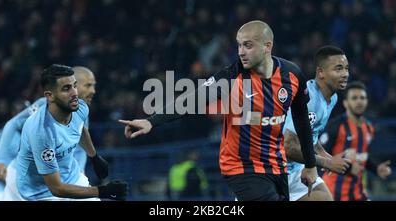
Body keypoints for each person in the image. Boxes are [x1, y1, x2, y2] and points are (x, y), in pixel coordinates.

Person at [120, 20, 317, 201]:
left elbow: (301, 120)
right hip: (241, 166)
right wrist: (151, 121)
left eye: (247, 45)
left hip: (276, 165)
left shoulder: (292, 74)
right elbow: (193, 99)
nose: (240, 51)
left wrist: (310, 164)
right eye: (239, 45)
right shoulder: (232, 76)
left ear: (267, 47)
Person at [2, 64, 127, 201]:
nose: (74, 93)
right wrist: (102, 191)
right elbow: (56, 189)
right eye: (66, 89)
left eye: (74, 86)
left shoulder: (81, 107)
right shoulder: (41, 132)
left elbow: (79, 129)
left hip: (71, 176)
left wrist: (94, 157)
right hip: (40, 191)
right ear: (49, 96)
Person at [0, 66, 103, 187]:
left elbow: (80, 145)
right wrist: (1, 160)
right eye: (88, 85)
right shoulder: (44, 106)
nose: (93, 91)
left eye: (93, 85)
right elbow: (13, 123)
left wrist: (84, 168)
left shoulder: (82, 110)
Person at [283, 45, 351, 201]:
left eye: (346, 69)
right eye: (338, 69)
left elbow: (311, 137)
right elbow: (288, 146)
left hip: (295, 170)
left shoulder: (332, 98)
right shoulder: (309, 100)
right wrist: (326, 163)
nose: (345, 74)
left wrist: (329, 158)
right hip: (270, 171)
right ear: (321, 72)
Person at [321, 81, 392, 201]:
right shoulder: (336, 126)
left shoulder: (369, 128)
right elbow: (320, 156)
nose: (359, 101)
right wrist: (348, 168)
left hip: (358, 192)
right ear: (345, 103)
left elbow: (363, 156)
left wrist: (376, 168)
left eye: (362, 98)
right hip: (333, 193)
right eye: (354, 98)